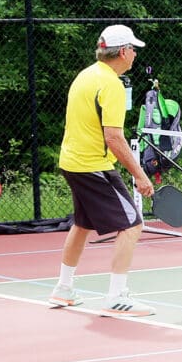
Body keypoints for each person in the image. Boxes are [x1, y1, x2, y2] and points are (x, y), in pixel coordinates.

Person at [49, 24, 156, 317]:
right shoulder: (111, 84)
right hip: (91, 165)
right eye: (133, 49)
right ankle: (117, 296)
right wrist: (139, 174)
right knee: (132, 225)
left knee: (82, 224)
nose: (134, 54)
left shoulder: (86, 75)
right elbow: (114, 137)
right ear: (122, 52)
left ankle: (64, 288)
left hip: (71, 162)